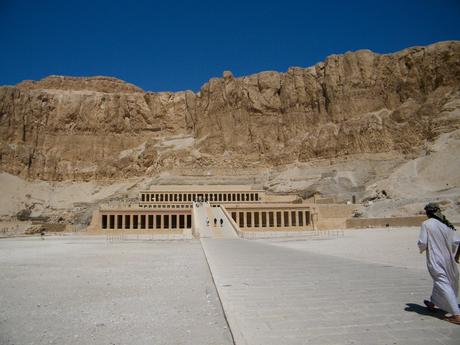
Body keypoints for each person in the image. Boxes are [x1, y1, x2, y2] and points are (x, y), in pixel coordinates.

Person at [418, 203, 460, 324]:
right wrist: (456, 255)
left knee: (442, 282)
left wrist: (421, 248)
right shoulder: (447, 225)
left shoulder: (426, 224)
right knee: (442, 281)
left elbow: (423, 243)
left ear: (428, 213)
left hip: (436, 258)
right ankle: (433, 303)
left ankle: (456, 315)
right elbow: (457, 242)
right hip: (449, 259)